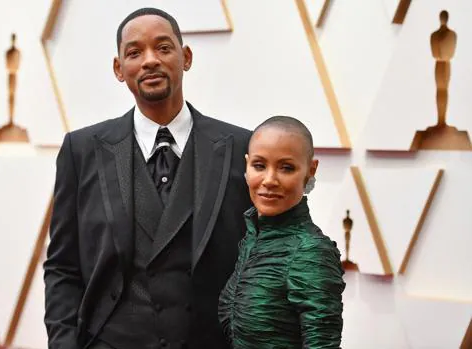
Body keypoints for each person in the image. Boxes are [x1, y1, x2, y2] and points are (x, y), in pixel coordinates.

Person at [43, 7, 251, 349]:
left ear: (186, 57)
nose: (150, 60)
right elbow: (63, 267)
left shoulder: (240, 147)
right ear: (118, 69)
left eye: (163, 48)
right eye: (135, 52)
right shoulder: (81, 151)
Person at [219, 116, 345, 348]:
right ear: (246, 166)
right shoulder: (251, 239)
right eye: (259, 166)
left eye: (286, 168)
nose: (269, 180)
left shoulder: (310, 251)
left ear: (310, 170)